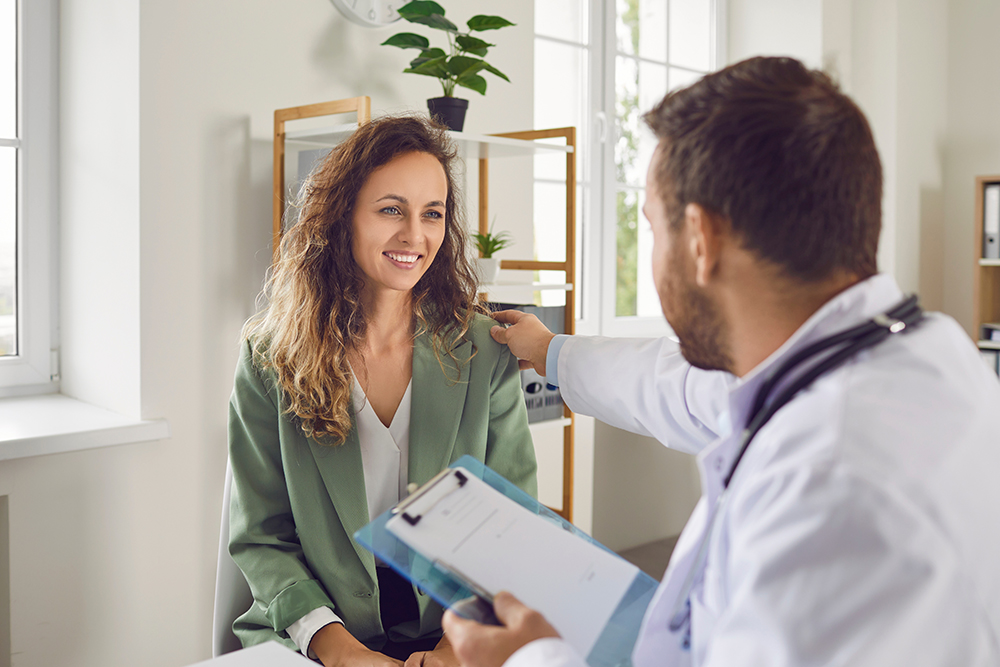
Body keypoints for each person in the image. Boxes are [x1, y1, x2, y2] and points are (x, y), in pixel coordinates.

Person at [441, 56, 1000, 667]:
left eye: (652, 229)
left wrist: (529, 660)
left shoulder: (829, 484)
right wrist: (550, 351)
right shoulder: (918, 354)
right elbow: (679, 388)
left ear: (701, 241)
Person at [227, 115, 537, 667]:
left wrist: (454, 648)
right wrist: (343, 654)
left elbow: (512, 526)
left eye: (432, 214)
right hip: (319, 633)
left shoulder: (486, 351)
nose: (414, 236)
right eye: (391, 209)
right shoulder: (271, 357)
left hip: (455, 630)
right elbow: (262, 537)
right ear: (343, 215)